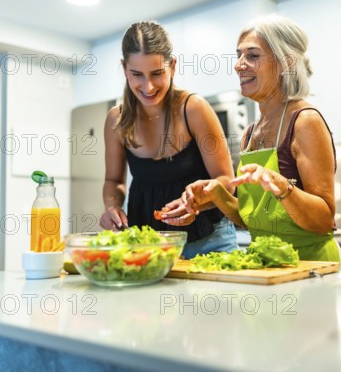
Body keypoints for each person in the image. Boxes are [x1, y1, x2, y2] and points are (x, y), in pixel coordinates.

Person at [183, 14, 341, 265]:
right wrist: (218, 194)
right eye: (239, 55)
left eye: (253, 55)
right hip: (270, 267)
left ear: (286, 62)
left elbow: (324, 219)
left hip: (312, 267)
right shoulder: (251, 132)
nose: (239, 64)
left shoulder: (305, 121)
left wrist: (283, 187)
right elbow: (257, 218)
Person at [99, 21, 238, 259]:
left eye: (157, 73)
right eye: (136, 75)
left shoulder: (193, 109)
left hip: (210, 241)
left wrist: (197, 203)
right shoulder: (117, 120)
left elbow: (226, 180)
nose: (148, 86)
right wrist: (111, 206)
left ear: (173, 66)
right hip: (149, 247)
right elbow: (113, 180)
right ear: (124, 69)